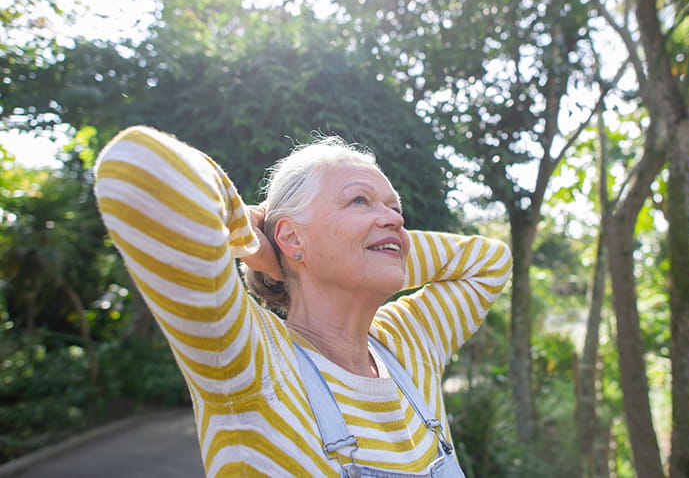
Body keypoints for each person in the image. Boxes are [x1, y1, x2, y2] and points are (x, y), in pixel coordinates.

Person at [93, 125, 512, 477]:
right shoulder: (250, 361)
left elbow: (490, 261)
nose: (397, 219)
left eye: (394, 207)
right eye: (359, 200)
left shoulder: (406, 345)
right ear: (292, 236)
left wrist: (367, 246)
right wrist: (251, 238)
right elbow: (135, 165)